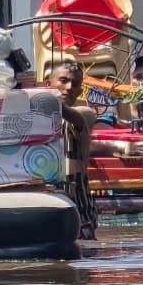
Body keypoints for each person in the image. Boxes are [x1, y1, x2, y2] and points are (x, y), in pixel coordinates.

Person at [49, 60, 98, 240]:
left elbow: (65, 113)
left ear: (80, 90)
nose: (69, 87)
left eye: (75, 84)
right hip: (50, 209)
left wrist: (37, 96)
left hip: (80, 214)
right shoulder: (36, 119)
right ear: (49, 84)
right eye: (63, 81)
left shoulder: (84, 114)